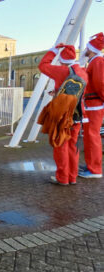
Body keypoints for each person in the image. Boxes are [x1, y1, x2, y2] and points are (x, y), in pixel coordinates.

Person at [37, 44, 88, 186]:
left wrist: (54, 50)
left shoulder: (61, 71)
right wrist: (58, 91)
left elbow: (43, 65)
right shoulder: (83, 72)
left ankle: (62, 177)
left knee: (60, 145)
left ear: (62, 59)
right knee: (73, 146)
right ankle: (72, 177)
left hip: (62, 115)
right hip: (77, 114)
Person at [78, 32, 104, 179]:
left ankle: (95, 169)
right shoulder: (95, 61)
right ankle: (91, 165)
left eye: (87, 47)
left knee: (92, 137)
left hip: (95, 105)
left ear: (91, 48)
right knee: (89, 136)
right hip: (91, 104)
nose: (85, 50)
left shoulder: (98, 61)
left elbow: (101, 84)